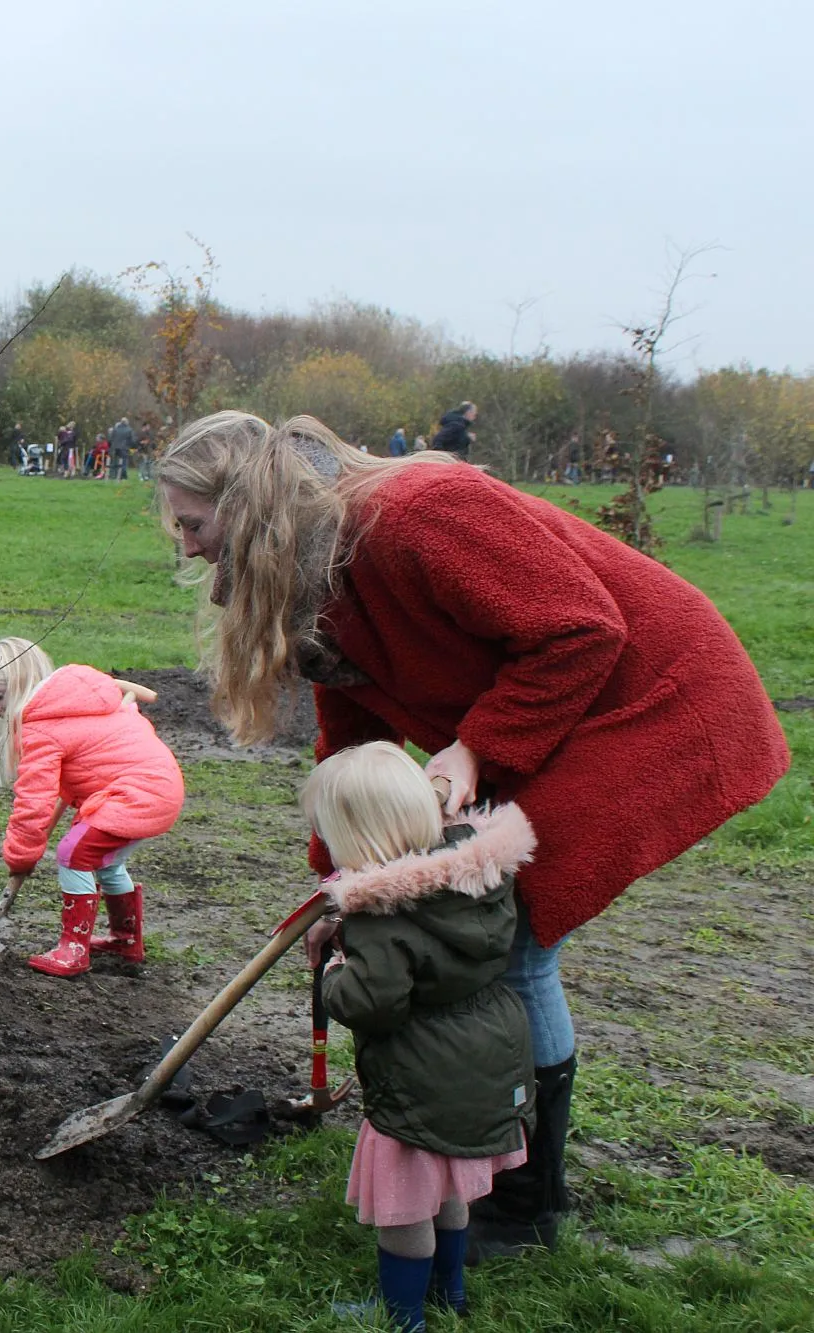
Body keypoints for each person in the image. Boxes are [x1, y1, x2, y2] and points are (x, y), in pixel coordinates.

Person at [155, 411, 790, 1260]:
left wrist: (476, 747)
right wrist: (338, 881)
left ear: (248, 500)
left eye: (193, 523)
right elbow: (355, 734)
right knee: (479, 923)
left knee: (506, 932)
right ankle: (488, 1168)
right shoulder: (315, 566)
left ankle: (520, 1202)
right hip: (558, 713)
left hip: (651, 700)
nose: (187, 546)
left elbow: (582, 628)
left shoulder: (417, 513)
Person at [306, 742, 535, 1331]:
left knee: (404, 1207)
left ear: (355, 840)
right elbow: (426, 946)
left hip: (421, 1075)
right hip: (486, 1056)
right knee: (449, 1185)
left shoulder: (382, 918)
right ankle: (449, 1296)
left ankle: (404, 1317)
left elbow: (373, 1003)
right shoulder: (475, 876)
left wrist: (335, 971)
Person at [0, 637, 184, 975]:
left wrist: (20, 855)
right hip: (159, 790)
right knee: (108, 864)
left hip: (135, 795)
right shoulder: (75, 702)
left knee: (73, 853)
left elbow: (33, 803)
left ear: (22, 684)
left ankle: (73, 949)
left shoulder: (43, 727)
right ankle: (126, 941)